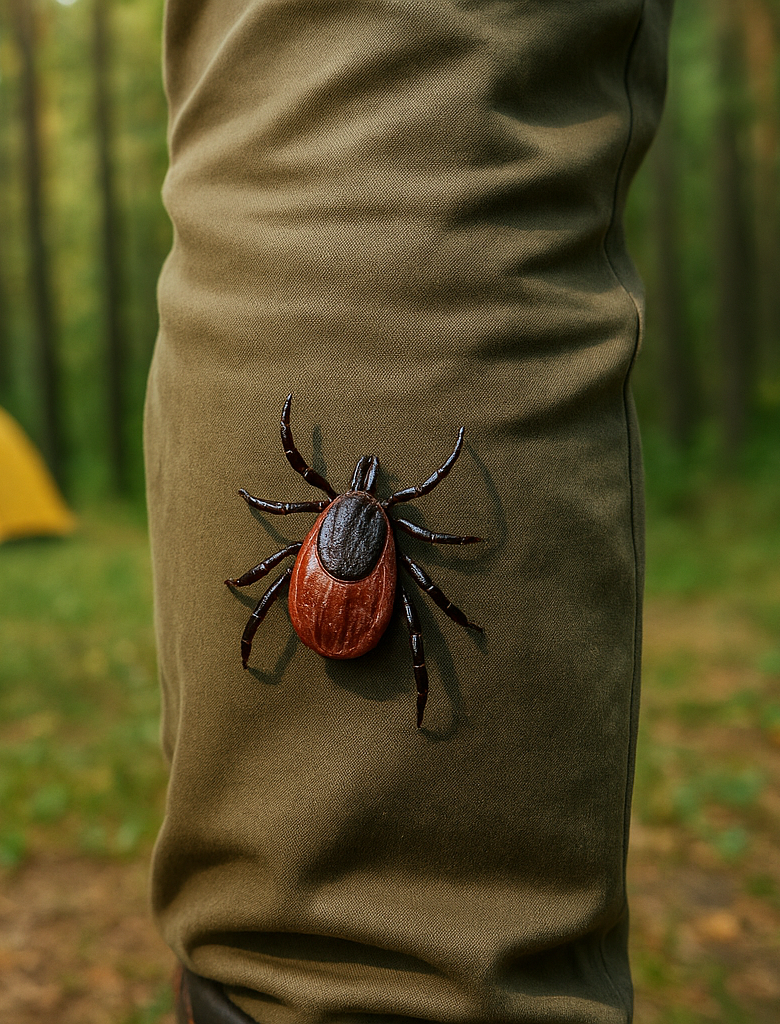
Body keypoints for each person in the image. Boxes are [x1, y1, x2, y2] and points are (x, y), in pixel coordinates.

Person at [146, 2, 671, 1022]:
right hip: (362, 581)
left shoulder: (318, 520)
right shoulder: (399, 530)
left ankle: (264, 973)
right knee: (415, 70)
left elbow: (283, 505)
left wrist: (300, 530)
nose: (370, 495)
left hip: (318, 589)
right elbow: (429, 563)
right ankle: (386, 981)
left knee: (269, 73)